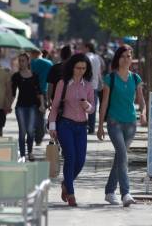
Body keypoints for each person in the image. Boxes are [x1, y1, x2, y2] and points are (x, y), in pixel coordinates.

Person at [97, 44, 147, 207]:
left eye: (129, 56)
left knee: (120, 157)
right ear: (118, 58)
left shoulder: (135, 78)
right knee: (123, 156)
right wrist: (100, 125)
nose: (126, 59)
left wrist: (144, 113)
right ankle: (126, 193)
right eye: (123, 56)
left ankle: (109, 192)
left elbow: (141, 100)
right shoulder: (110, 78)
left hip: (131, 123)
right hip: (114, 122)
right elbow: (104, 103)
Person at [48, 53, 94, 207]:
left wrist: (87, 105)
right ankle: (71, 194)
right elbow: (55, 106)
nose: (80, 71)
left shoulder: (88, 85)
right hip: (65, 125)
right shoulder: (63, 83)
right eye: (78, 68)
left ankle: (66, 183)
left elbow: (93, 108)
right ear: (72, 67)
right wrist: (52, 126)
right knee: (70, 158)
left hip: (81, 127)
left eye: (83, 68)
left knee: (80, 161)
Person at [11, 53, 45, 162]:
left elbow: (39, 92)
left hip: (32, 106)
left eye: (23, 60)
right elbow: (12, 93)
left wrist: (42, 104)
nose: (21, 63)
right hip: (20, 107)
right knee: (22, 131)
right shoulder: (16, 76)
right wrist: (8, 105)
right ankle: (22, 155)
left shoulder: (34, 76)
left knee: (30, 130)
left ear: (28, 61)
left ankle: (30, 152)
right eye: (19, 61)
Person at [30, 48, 53, 145]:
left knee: (31, 115)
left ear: (33, 54)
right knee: (41, 115)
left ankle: (32, 135)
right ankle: (39, 138)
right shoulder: (49, 63)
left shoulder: (30, 63)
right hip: (44, 91)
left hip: (31, 91)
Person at [82, 42, 103, 134]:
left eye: (83, 47)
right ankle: (91, 127)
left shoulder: (85, 57)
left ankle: (83, 125)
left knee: (82, 105)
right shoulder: (97, 57)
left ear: (87, 47)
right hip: (94, 84)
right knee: (92, 106)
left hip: (84, 85)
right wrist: (101, 82)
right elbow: (99, 72)